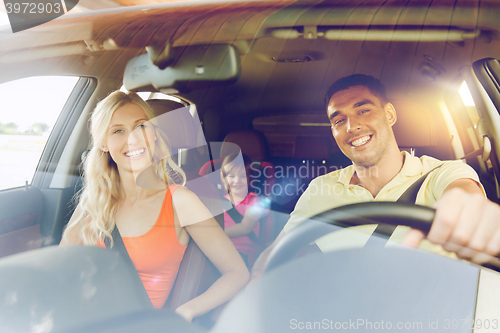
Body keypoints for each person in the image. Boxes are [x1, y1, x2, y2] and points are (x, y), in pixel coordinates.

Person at [251, 74, 500, 279]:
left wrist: (473, 213)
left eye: (363, 111)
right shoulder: (320, 188)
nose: (351, 127)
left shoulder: (442, 173)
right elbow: (274, 256)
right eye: (339, 120)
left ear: (389, 114)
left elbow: (464, 196)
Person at [59, 91, 249, 322]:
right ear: (103, 144)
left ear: (155, 135)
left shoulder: (180, 201)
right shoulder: (93, 201)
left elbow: (237, 273)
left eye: (141, 126)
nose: (134, 140)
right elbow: (61, 264)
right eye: (118, 131)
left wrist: (186, 311)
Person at [220, 153, 267, 267]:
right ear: (223, 178)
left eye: (243, 176)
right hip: (219, 249)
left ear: (250, 178)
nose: (237, 181)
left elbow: (245, 228)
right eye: (231, 176)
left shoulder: (254, 200)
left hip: (240, 253)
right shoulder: (219, 201)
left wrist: (217, 233)